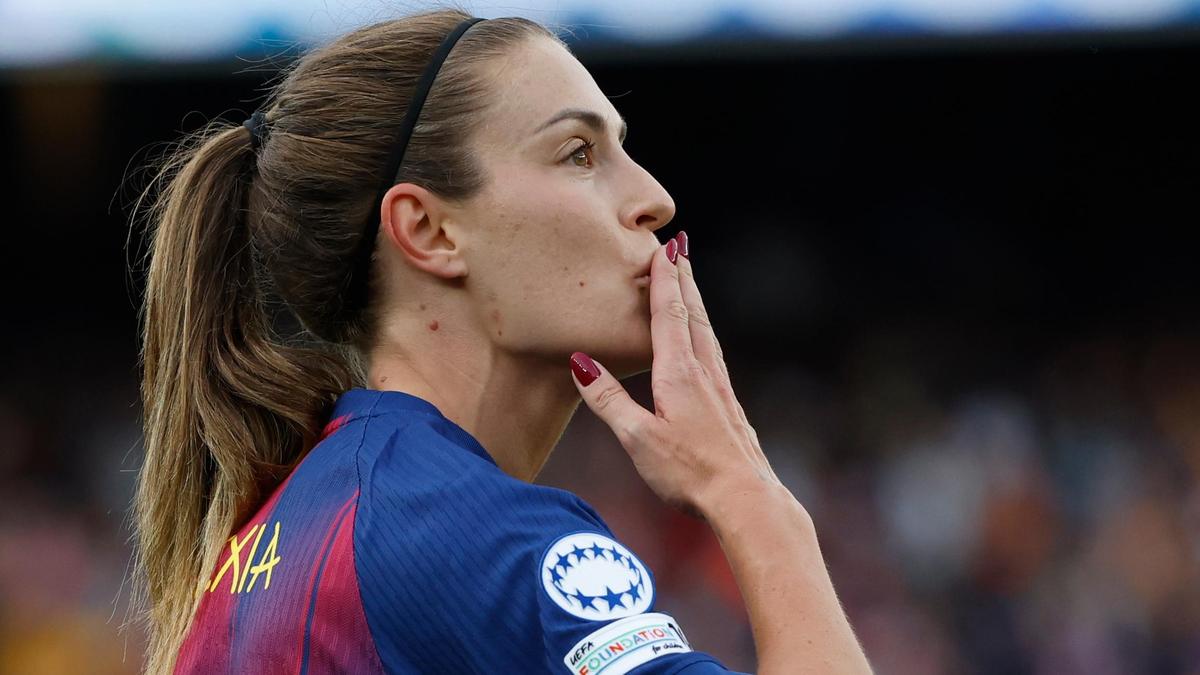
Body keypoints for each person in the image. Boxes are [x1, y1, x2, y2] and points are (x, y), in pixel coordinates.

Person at [132, 8, 872, 674]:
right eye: (579, 152)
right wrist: (752, 500)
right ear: (429, 230)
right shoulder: (470, 533)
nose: (655, 198)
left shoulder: (272, 541)